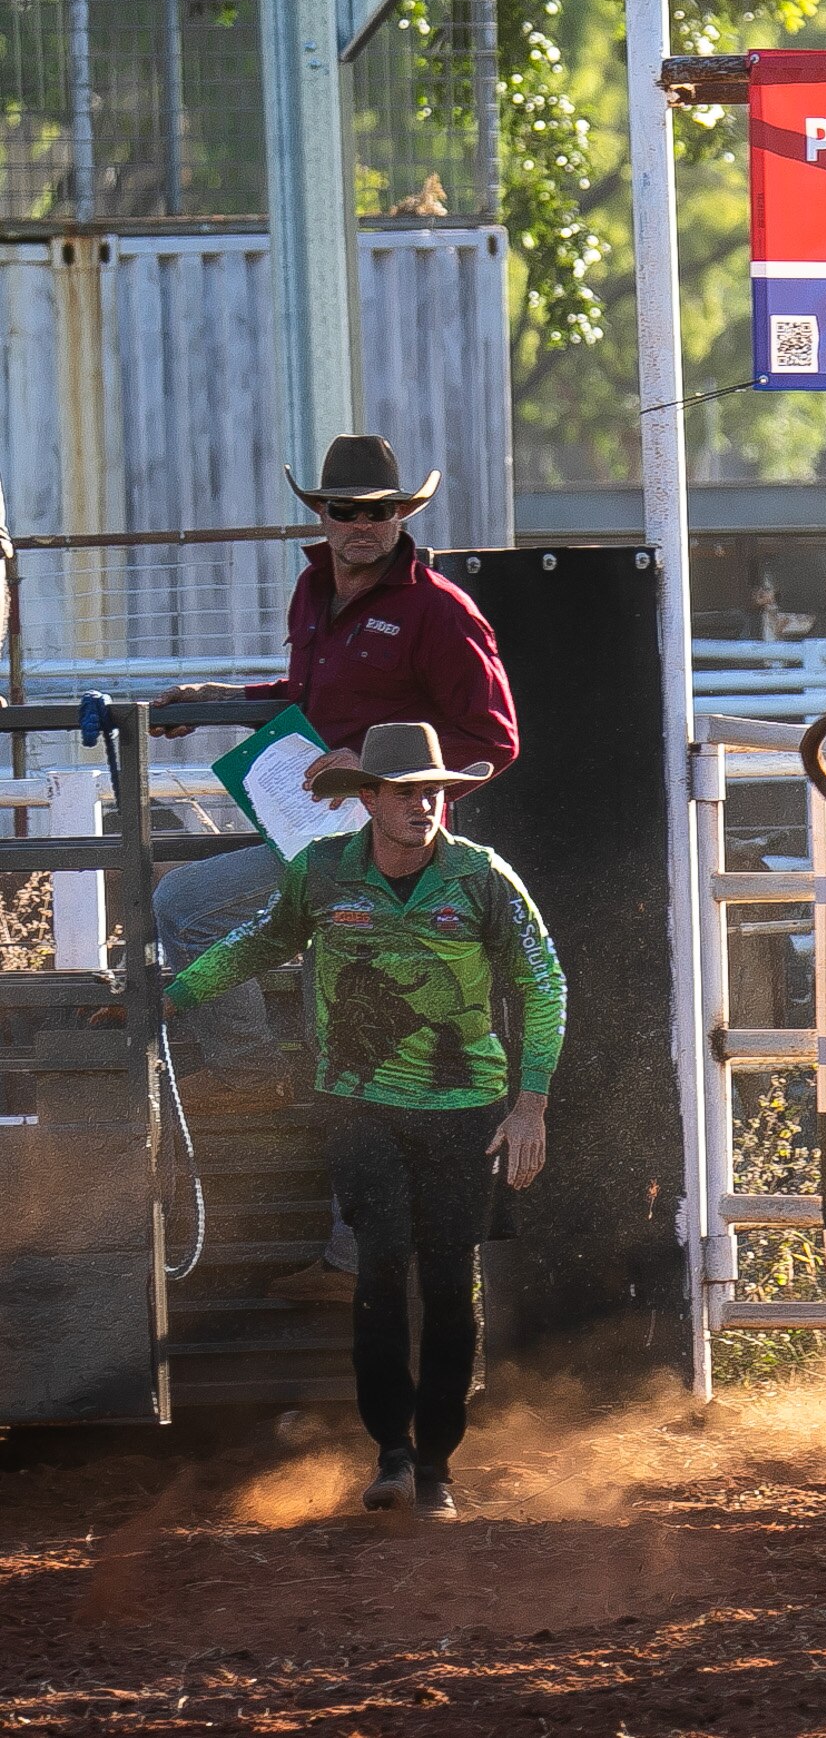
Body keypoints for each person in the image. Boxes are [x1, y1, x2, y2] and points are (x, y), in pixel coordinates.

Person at [164, 723, 566, 1519]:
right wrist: (168, 998)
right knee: (380, 1273)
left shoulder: (483, 877)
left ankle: (438, 1467)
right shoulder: (321, 874)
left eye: (437, 791)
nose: (427, 804)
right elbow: (258, 943)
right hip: (359, 1105)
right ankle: (392, 1454)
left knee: (450, 1285)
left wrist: (530, 1103)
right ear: (369, 801)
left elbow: (543, 981)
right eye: (409, 791)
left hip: (466, 1109)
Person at [152, 433, 518, 1300]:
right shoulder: (315, 590)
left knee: (205, 917)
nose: (361, 524)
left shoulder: (440, 612)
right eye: (345, 510)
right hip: (317, 839)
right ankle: (254, 1084)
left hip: (391, 853)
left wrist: (379, 769)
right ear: (320, 512)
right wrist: (224, 704)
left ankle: (350, 1260)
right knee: (197, 912)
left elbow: (493, 740)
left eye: (378, 511)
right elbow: (308, 705)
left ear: (404, 516)